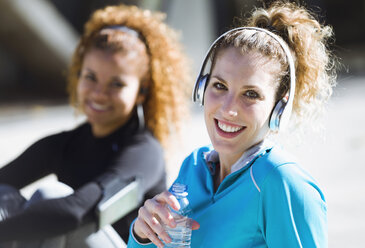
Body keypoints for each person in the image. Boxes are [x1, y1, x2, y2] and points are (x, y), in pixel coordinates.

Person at [128, 1, 337, 248]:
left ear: (279, 107)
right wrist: (141, 235)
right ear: (201, 88)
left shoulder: (283, 183)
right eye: (220, 86)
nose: (228, 108)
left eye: (251, 94)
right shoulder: (194, 166)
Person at [0, 4, 189, 246]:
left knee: (50, 196)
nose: (99, 93)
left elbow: (76, 211)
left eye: (116, 84)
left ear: (141, 92)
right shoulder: (67, 143)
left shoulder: (144, 151)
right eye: (90, 77)